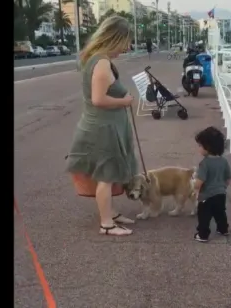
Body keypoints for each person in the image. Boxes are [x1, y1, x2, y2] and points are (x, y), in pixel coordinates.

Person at [65, 16, 137, 236]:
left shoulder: (96, 59)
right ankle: (107, 224)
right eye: (126, 42)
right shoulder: (101, 62)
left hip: (107, 127)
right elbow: (98, 99)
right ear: (115, 38)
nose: (127, 47)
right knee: (105, 176)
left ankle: (111, 213)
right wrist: (124, 101)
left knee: (110, 173)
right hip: (102, 129)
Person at [193, 127, 231, 242]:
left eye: (200, 145)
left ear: (208, 147)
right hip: (221, 194)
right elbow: (229, 178)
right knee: (220, 213)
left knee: (204, 216)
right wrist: (223, 187)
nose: (199, 148)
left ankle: (203, 234)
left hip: (207, 196)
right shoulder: (223, 161)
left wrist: (196, 190)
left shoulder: (204, 164)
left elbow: (200, 181)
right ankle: (223, 229)